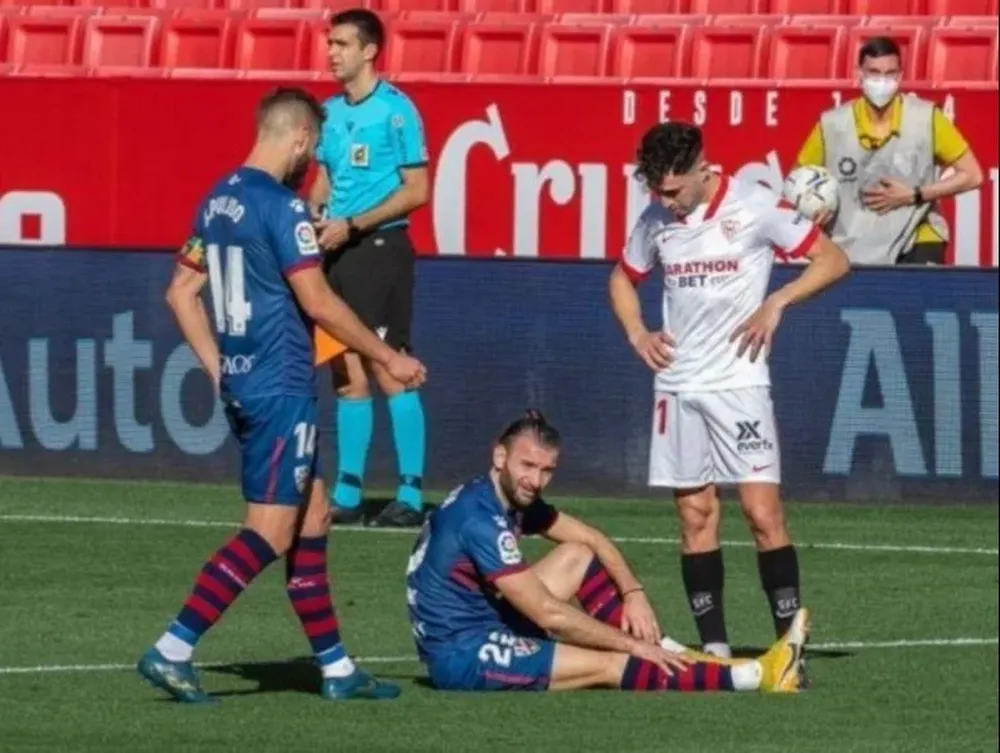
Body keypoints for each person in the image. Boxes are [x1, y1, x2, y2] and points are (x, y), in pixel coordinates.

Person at [136, 87, 427, 704]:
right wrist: (388, 357)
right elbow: (318, 302)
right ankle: (173, 646)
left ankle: (337, 668)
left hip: (248, 381)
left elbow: (179, 294)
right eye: (313, 147)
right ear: (297, 139)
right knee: (268, 532)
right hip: (280, 385)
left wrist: (218, 366)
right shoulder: (284, 207)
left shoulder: (217, 200)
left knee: (314, 515)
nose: (312, 159)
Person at [607, 122, 850, 680]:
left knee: (763, 515)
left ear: (703, 169)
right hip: (678, 386)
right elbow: (622, 279)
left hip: (739, 385)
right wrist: (638, 333)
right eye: (656, 191)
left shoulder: (755, 205)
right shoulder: (656, 220)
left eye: (673, 190)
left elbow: (833, 261)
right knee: (695, 516)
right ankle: (713, 654)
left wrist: (778, 302)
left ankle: (787, 649)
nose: (664, 202)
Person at [404, 409, 811, 694]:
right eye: (527, 466)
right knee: (609, 663)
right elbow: (550, 614)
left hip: (488, 623)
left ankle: (669, 651)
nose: (535, 481)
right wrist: (628, 643)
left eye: (546, 471)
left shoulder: (500, 495)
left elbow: (593, 540)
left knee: (577, 554)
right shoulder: (479, 520)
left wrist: (633, 592)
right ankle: (758, 676)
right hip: (464, 654)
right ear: (500, 456)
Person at [309, 8, 431, 528]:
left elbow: (417, 190)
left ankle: (409, 493)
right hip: (334, 249)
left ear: (369, 51)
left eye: (341, 44)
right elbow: (323, 179)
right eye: (329, 43)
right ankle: (349, 493)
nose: (332, 52)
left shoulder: (396, 111)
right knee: (345, 374)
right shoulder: (330, 112)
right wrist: (316, 218)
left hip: (378, 248)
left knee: (389, 366)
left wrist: (354, 224)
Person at [795, 36, 984, 266]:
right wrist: (812, 211)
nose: (882, 81)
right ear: (860, 74)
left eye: (889, 73)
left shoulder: (927, 118)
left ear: (900, 76)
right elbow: (798, 182)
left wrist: (914, 195)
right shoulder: (831, 125)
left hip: (916, 233)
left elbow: (973, 175)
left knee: (913, 292)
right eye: (874, 72)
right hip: (853, 239)